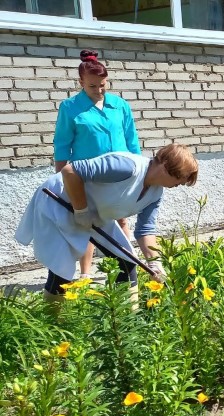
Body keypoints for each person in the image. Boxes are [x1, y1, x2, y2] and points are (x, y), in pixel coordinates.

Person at [15, 144, 198, 310]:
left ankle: (128, 320)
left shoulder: (156, 193)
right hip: (59, 202)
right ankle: (51, 321)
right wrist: (81, 210)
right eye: (181, 179)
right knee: (61, 269)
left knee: (125, 262)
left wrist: (154, 262)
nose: (181, 184)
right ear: (166, 167)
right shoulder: (126, 167)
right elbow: (70, 171)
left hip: (95, 214)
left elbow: (145, 230)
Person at [53, 49, 141, 279]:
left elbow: (131, 139)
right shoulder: (70, 107)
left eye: (103, 85)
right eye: (92, 86)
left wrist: (139, 169)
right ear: (81, 82)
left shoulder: (120, 105)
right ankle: (85, 274)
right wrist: (61, 177)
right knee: (89, 223)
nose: (99, 90)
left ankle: (129, 266)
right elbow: (62, 144)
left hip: (120, 173)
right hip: (86, 176)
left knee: (121, 218)